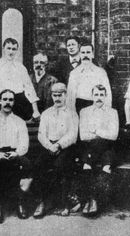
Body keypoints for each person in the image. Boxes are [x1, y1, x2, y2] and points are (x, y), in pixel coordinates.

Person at [0, 89, 33, 224]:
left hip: (15, 155)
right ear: (0, 101)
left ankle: (20, 203)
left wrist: (17, 153)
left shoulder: (19, 122)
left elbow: (24, 144)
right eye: (5, 99)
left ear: (14, 102)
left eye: (10, 100)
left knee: (27, 164)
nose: (7, 102)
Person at [33, 83, 79, 219]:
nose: (57, 98)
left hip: (66, 147)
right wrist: (49, 146)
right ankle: (42, 202)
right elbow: (41, 134)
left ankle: (64, 203)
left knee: (60, 166)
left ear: (65, 95)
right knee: (38, 165)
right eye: (55, 95)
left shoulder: (72, 114)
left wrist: (59, 145)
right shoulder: (46, 113)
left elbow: (73, 134)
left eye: (60, 95)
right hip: (49, 146)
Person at [79, 84, 119, 216]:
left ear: (106, 96)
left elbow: (113, 136)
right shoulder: (84, 112)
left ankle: (93, 200)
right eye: (96, 95)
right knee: (86, 166)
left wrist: (95, 130)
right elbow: (83, 136)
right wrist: (103, 133)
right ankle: (91, 200)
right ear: (92, 96)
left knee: (105, 167)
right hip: (90, 148)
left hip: (108, 149)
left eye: (102, 95)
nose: (99, 98)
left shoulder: (113, 112)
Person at [0, 37, 40, 121]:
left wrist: (36, 110)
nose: (11, 52)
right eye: (8, 48)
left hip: (17, 102)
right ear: (3, 49)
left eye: (14, 49)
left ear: (17, 50)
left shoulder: (21, 68)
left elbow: (29, 89)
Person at [66, 43, 112, 114]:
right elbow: (70, 98)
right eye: (83, 53)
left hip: (97, 107)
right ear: (80, 55)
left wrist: (106, 113)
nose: (85, 55)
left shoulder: (101, 72)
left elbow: (108, 95)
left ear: (92, 54)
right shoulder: (74, 73)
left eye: (88, 52)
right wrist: (72, 116)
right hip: (79, 107)